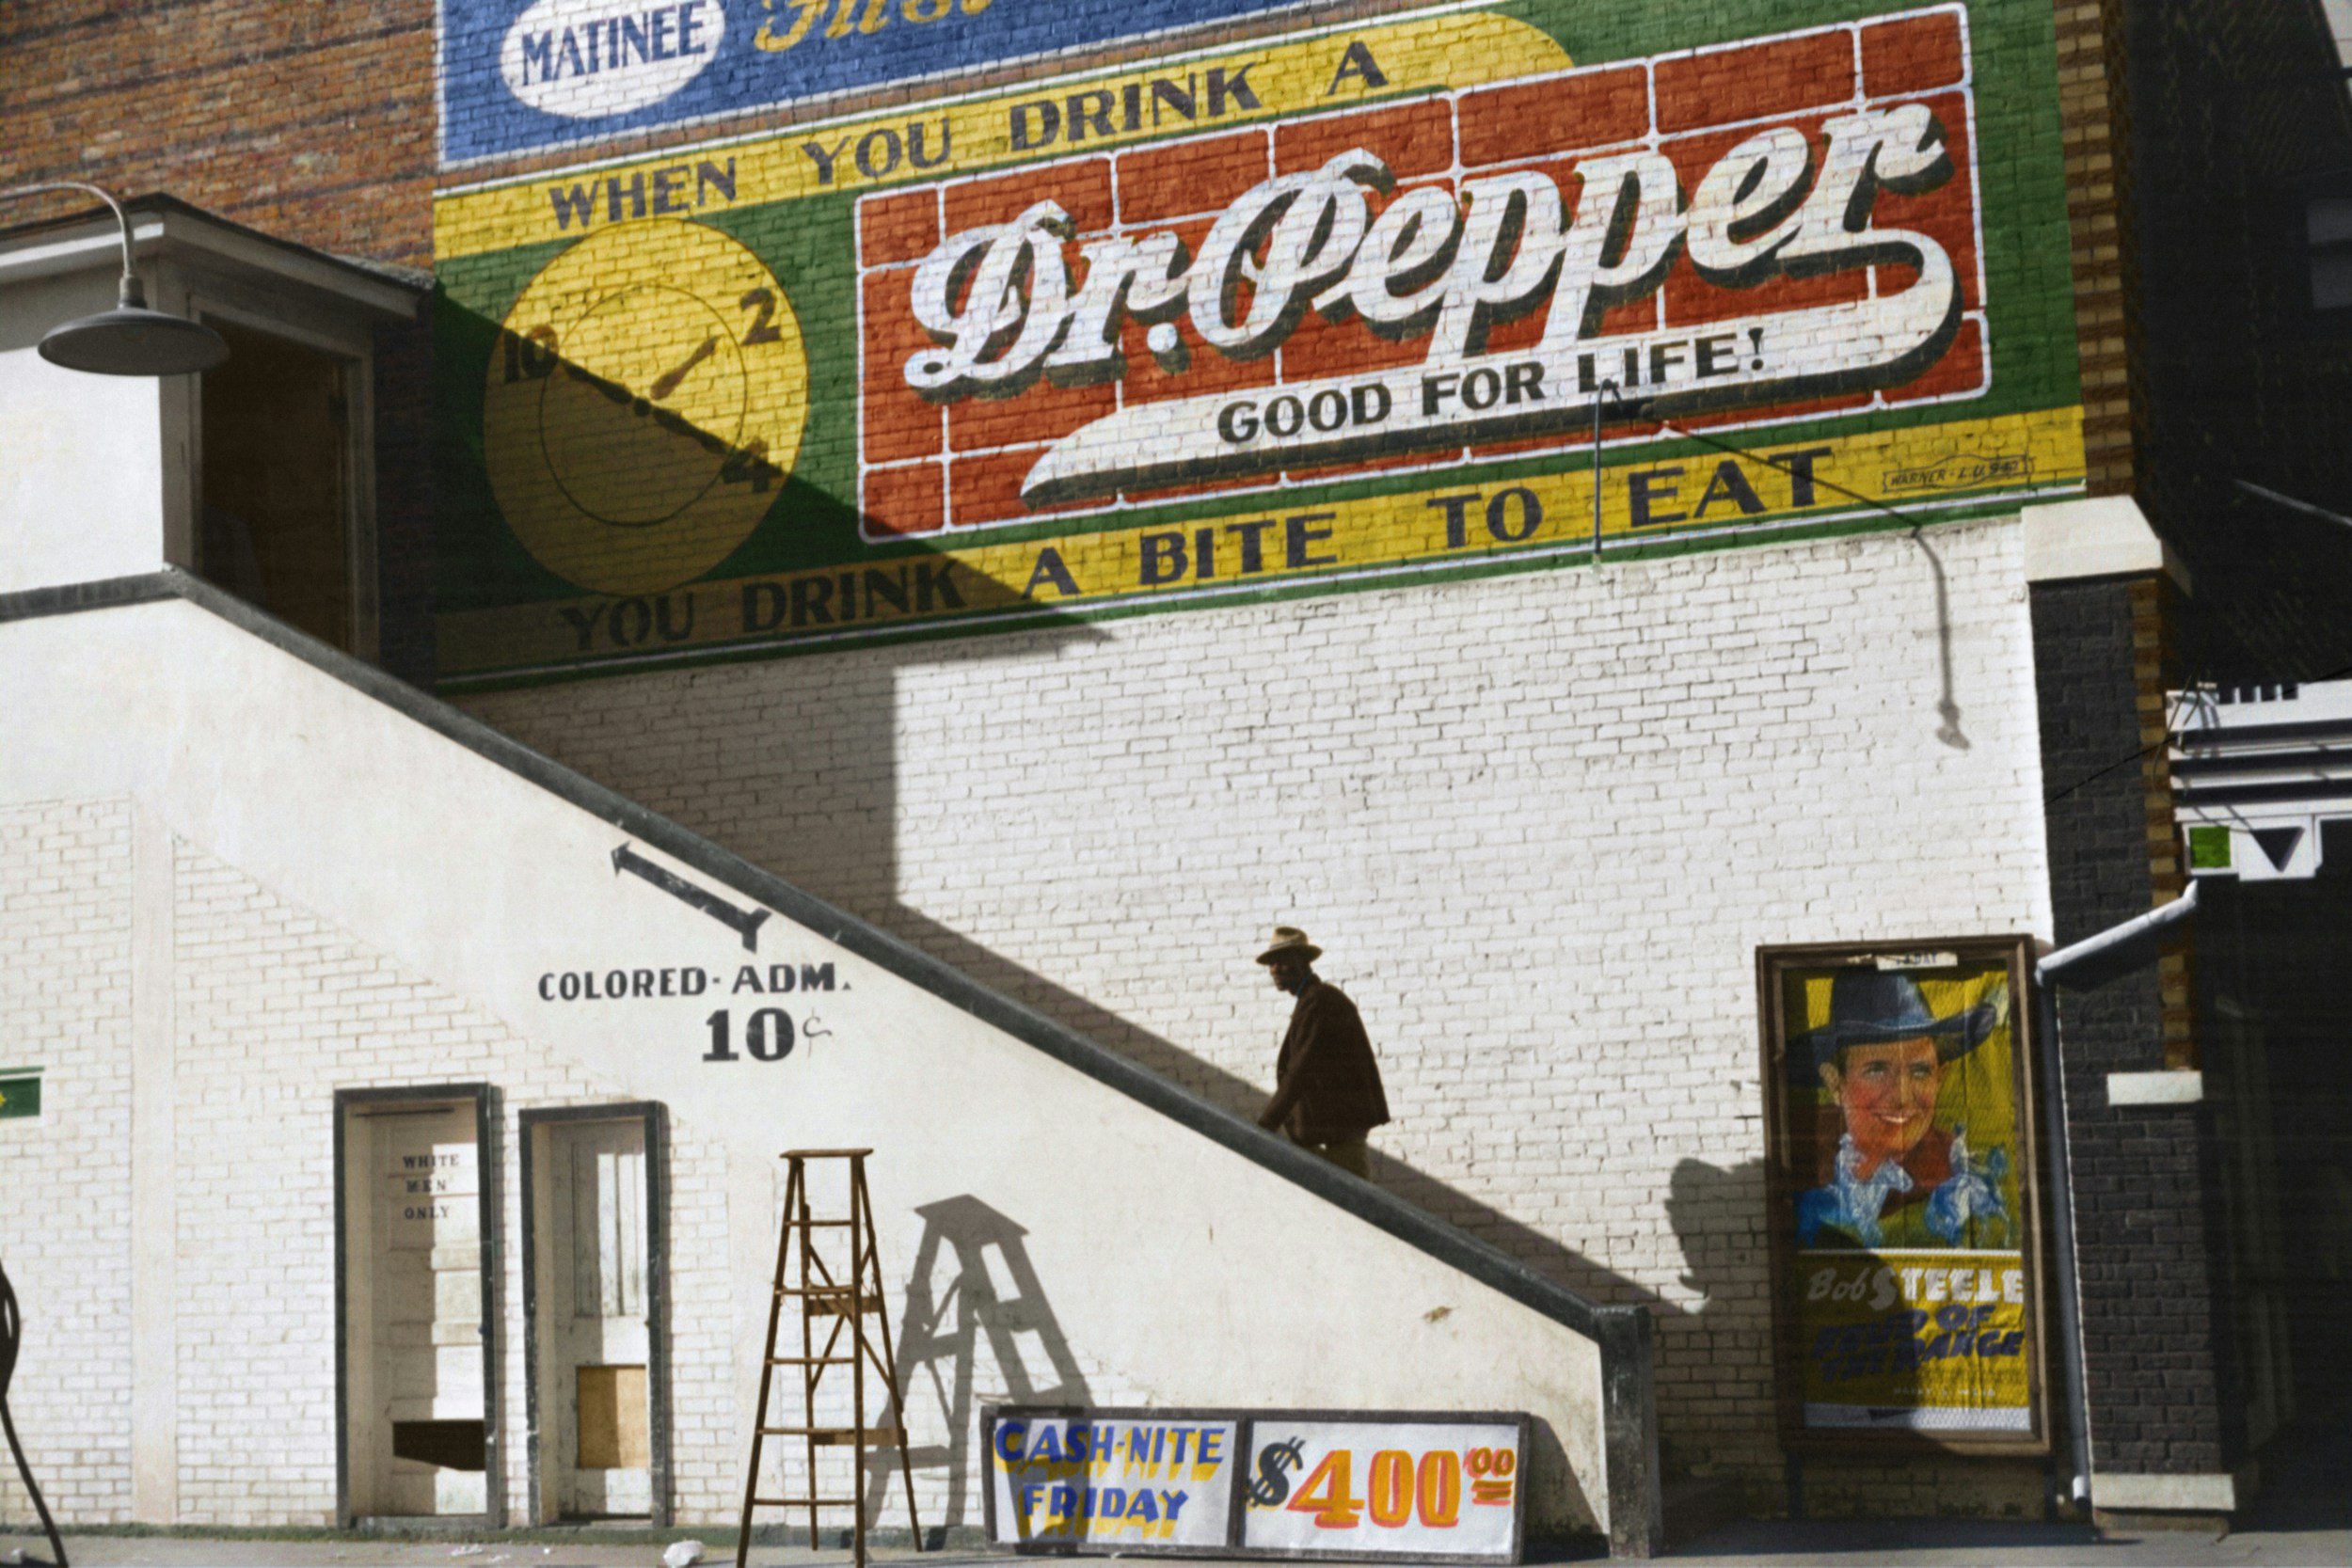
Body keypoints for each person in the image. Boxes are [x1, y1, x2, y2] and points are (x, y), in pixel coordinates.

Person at [1792, 969, 2012, 1250]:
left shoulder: (1958, 1176)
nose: (1902, 1097)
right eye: (1876, 1070)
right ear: (1835, 1083)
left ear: (1939, 1077)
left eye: (1920, 1071)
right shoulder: (1799, 1150)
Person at [1254, 927, 1391, 1178]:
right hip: (1334, 1134)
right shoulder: (1313, 1000)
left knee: (1355, 1209)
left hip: (1339, 1138)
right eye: (1271, 963)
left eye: (1281, 961)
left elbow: (1299, 1069)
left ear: (1302, 961)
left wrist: (1266, 1125)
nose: (1274, 969)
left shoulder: (1318, 1002)